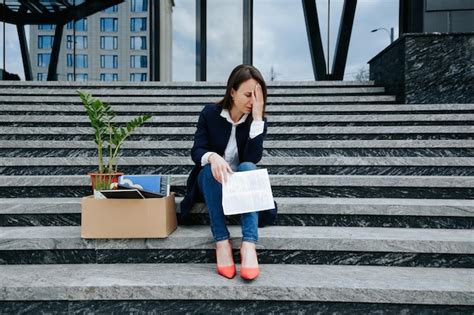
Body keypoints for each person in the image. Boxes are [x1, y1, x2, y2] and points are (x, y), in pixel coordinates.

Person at [180, 64, 277, 280]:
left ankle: (249, 244)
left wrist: (258, 119)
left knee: (248, 167)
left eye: (257, 95)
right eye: (248, 94)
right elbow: (197, 151)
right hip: (213, 183)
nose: (253, 101)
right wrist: (213, 157)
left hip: (241, 187)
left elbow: (252, 158)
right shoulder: (209, 114)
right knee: (208, 169)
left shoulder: (257, 122)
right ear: (232, 92)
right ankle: (222, 242)